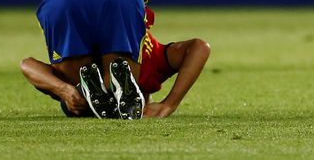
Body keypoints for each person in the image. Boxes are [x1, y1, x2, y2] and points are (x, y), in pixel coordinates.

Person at [21, 6, 211, 119]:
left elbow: (27, 64)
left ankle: (93, 91)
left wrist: (64, 90)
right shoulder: (152, 70)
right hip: (109, 6)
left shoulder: (152, 69)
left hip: (88, 13)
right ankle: (99, 87)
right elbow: (200, 47)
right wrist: (168, 105)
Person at [21, 0, 148, 119]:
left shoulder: (67, 85)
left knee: (95, 72)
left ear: (68, 103)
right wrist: (63, 89)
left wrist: (65, 90)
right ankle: (113, 86)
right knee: (108, 68)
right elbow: (26, 65)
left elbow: (26, 64)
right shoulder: (62, 83)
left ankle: (111, 89)